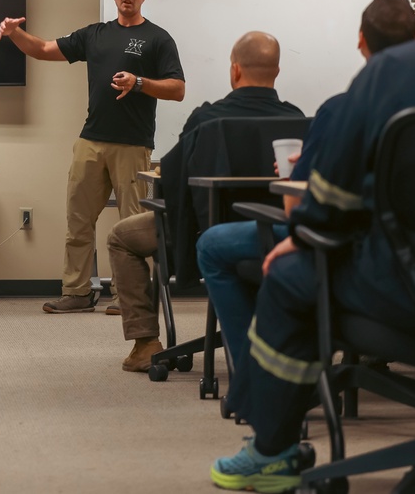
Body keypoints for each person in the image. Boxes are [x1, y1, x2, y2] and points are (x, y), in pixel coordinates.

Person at [210, 0, 415, 493]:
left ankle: (273, 449)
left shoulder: (387, 75)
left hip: (409, 290)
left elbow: (330, 195)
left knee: (288, 273)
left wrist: (304, 236)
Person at [195, 0, 415, 401]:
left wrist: (302, 183)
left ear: (361, 42)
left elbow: (308, 211)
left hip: (360, 255)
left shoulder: (343, 110)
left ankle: (254, 382)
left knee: (213, 245)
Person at [107, 31, 304, 371]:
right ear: (277, 72)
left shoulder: (208, 119)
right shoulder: (298, 120)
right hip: (282, 237)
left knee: (120, 237)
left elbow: (173, 179)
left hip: (207, 236)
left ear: (235, 70)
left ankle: (146, 343)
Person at [0, 0, 186, 314]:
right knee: (78, 219)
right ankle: (77, 292)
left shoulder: (158, 39)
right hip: (91, 141)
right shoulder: (95, 35)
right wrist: (14, 33)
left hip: (133, 145)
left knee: (132, 225)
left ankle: (130, 296)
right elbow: (41, 49)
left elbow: (177, 89)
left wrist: (139, 82)